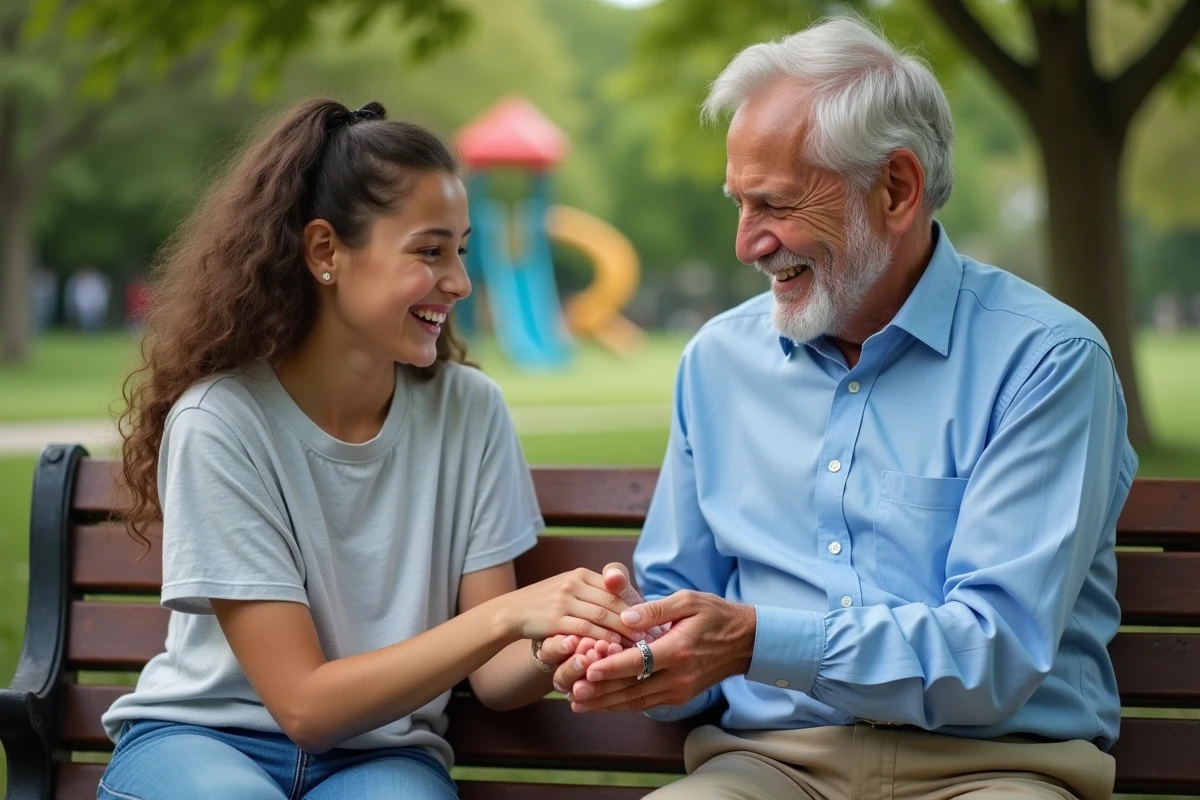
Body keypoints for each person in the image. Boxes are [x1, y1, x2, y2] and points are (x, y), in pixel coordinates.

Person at [553, 17, 1135, 800]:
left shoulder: (1049, 360)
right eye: (738, 203)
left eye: (776, 204)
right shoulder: (718, 362)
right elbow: (678, 620)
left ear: (896, 188)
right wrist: (635, 646)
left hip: (996, 769)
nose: (747, 243)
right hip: (766, 768)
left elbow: (989, 658)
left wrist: (754, 643)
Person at [99, 99, 642, 800]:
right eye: (429, 250)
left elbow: (496, 677)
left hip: (382, 757)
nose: (461, 281)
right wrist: (510, 614)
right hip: (202, 741)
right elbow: (304, 706)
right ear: (326, 252)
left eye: (462, 249)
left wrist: (557, 640)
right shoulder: (222, 423)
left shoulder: (469, 413)